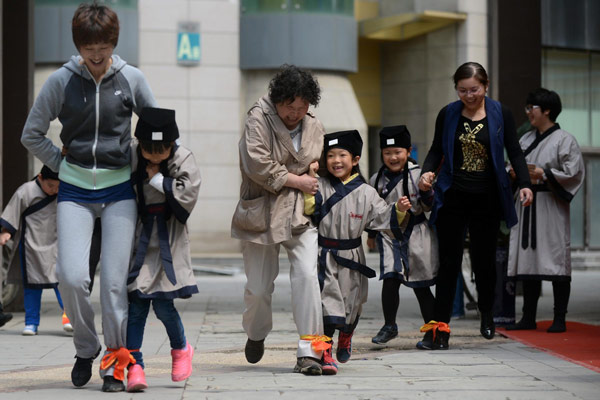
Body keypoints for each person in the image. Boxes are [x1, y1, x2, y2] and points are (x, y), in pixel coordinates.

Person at [20, 3, 156, 392]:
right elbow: (31, 133)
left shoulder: (131, 77)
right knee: (72, 276)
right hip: (75, 190)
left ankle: (115, 360)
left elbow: (157, 128)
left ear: (114, 42)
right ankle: (86, 346)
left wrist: (146, 162)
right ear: (78, 44)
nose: (96, 55)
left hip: (119, 190)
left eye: (103, 46)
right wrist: (59, 165)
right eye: (88, 47)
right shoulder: (60, 81)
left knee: (113, 283)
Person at [418, 62, 533, 350]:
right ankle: (440, 330)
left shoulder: (500, 113)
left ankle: (486, 311)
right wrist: (426, 172)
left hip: (487, 198)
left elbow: (515, 150)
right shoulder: (448, 113)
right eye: (462, 90)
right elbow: (436, 149)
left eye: (474, 89)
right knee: (448, 263)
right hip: (453, 195)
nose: (468, 96)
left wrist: (527, 183)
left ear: (486, 85)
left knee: (484, 263)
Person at [231, 64, 328, 376]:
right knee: (259, 288)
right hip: (262, 211)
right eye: (290, 107)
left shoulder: (314, 124)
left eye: (302, 107)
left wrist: (315, 171)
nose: (296, 114)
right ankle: (256, 333)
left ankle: (310, 351)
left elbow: (319, 160)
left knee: (307, 278)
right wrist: (298, 180)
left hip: (301, 213)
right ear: (277, 100)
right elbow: (257, 163)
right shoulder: (257, 117)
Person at [304, 129, 412, 374]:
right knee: (327, 304)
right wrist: (308, 182)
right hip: (325, 256)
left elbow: (383, 216)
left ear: (355, 159)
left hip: (353, 256)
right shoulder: (319, 184)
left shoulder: (366, 192)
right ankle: (326, 353)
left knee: (352, 305)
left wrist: (399, 210)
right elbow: (310, 209)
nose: (336, 161)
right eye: (330, 155)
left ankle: (347, 334)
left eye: (342, 155)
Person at [125, 107, 201, 392]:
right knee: (137, 306)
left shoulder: (184, 157)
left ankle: (181, 350)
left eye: (162, 150)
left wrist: (157, 179)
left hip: (170, 236)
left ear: (172, 144)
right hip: (139, 238)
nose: (155, 156)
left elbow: (188, 192)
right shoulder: (132, 152)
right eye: (149, 150)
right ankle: (135, 366)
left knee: (164, 304)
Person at [506, 88, 584, 333]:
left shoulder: (565, 139)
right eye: (528, 108)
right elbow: (513, 163)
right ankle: (528, 317)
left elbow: (574, 172)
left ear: (547, 110)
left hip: (551, 204)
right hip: (527, 202)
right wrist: (512, 172)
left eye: (533, 108)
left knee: (557, 261)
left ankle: (559, 318)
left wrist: (545, 173)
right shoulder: (526, 139)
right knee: (529, 261)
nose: (528, 112)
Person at [366, 126, 438, 346]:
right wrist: (370, 234)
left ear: (408, 151)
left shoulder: (419, 175)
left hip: (417, 233)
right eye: (387, 153)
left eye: (397, 152)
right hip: (389, 235)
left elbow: (428, 206)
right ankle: (390, 325)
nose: (393, 157)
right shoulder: (376, 179)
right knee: (390, 278)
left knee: (421, 285)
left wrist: (426, 190)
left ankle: (433, 329)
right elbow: (372, 210)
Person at [0, 166, 72, 335]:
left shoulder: (65, 190)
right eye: (50, 186)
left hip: (56, 243)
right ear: (40, 178)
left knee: (62, 284)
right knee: (31, 286)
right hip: (31, 244)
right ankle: (31, 322)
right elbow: (13, 211)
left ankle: (70, 317)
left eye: (58, 186)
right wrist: (6, 231)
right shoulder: (26, 190)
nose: (54, 190)